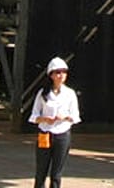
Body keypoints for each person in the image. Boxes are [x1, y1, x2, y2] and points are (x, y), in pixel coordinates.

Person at [29, 56, 80, 188]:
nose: (61, 75)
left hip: (62, 134)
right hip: (45, 134)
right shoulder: (43, 94)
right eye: (58, 72)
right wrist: (45, 119)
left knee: (56, 173)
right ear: (51, 75)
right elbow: (34, 116)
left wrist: (64, 117)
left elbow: (75, 116)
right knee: (41, 171)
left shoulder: (70, 94)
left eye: (64, 72)